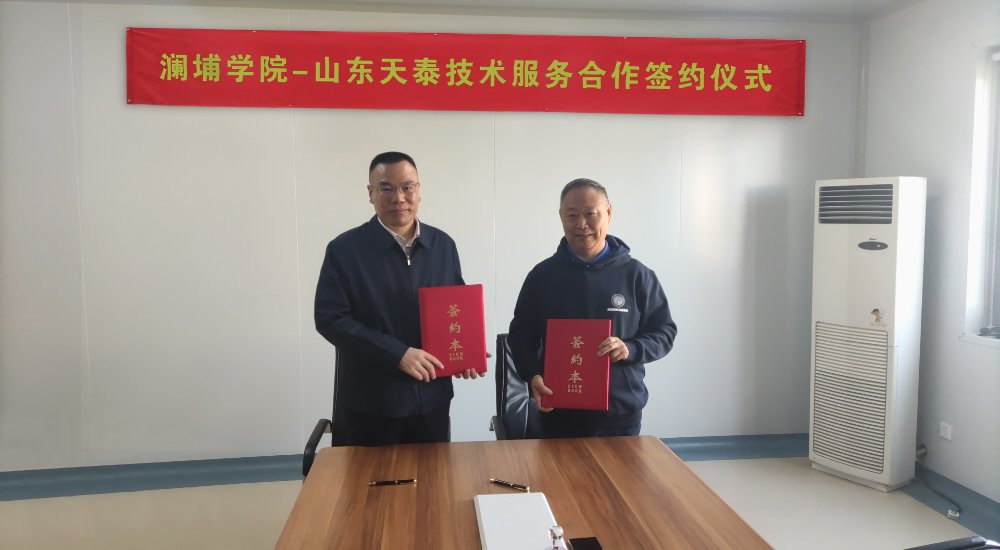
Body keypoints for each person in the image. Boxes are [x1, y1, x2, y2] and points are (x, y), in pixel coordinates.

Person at [314, 151, 480, 446]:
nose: (399, 197)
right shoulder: (345, 250)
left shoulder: (443, 244)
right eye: (386, 188)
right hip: (372, 402)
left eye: (407, 187)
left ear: (419, 190)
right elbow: (331, 319)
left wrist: (466, 351)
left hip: (432, 398)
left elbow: (454, 306)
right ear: (371, 193)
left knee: (432, 474)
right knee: (369, 477)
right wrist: (397, 354)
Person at [508, 178, 677, 438]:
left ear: (608, 213)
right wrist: (532, 375)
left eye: (590, 214)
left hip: (620, 414)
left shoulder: (637, 275)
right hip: (558, 412)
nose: (581, 224)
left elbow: (664, 332)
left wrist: (630, 348)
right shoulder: (542, 276)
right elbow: (521, 336)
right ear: (561, 217)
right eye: (572, 215)